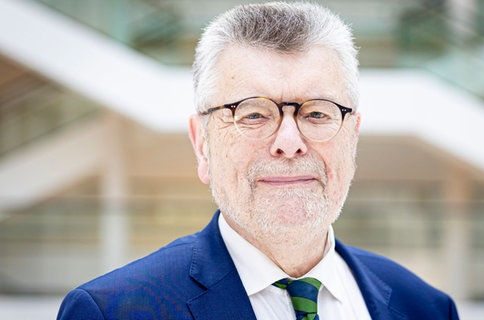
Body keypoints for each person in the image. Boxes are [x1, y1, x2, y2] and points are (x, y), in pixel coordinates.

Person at [57, 2, 459, 319]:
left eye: (317, 113)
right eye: (253, 114)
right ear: (202, 145)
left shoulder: (426, 307)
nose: (289, 142)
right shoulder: (114, 312)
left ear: (352, 137)